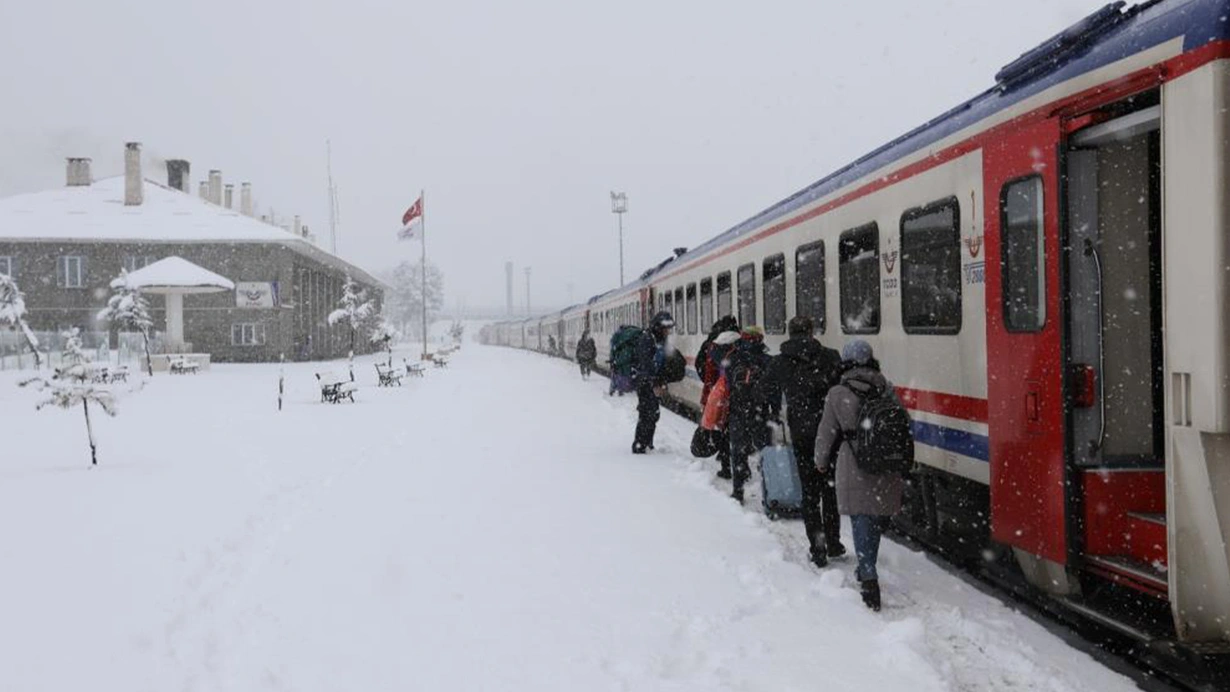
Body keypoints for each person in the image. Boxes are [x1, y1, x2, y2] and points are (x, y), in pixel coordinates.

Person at [814, 340, 905, 612]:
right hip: (884, 461)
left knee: (861, 517)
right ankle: (868, 568)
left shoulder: (838, 391)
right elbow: (902, 423)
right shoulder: (886, 386)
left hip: (853, 460)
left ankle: (868, 577)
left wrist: (820, 461)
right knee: (874, 516)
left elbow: (826, 431)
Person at [760, 315, 846, 568]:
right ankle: (833, 542)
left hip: (802, 432)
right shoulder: (831, 356)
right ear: (811, 331)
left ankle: (817, 548)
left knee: (809, 492)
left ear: (790, 333)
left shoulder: (780, 362)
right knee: (830, 487)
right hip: (830, 430)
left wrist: (775, 408)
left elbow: (764, 390)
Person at [724, 326, 773, 502]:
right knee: (766, 453)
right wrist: (773, 411)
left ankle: (738, 491)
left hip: (738, 411)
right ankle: (769, 493)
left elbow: (727, 383)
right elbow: (772, 389)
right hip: (760, 412)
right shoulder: (766, 359)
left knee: (738, 451)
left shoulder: (732, 357)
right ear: (760, 339)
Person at [697, 316, 740, 479]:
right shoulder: (740, 344)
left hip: (719, 396)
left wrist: (711, 391)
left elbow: (706, 372)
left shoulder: (712, 346)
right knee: (735, 433)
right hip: (738, 396)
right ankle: (740, 468)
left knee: (720, 430)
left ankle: (725, 465)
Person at [631, 311, 675, 454]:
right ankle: (639, 444)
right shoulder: (647, 339)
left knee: (653, 413)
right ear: (658, 327)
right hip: (645, 382)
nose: (668, 331)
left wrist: (662, 380)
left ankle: (647, 442)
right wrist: (654, 381)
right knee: (646, 413)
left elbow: (661, 363)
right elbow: (646, 363)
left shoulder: (661, 339)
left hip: (653, 381)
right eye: (666, 328)